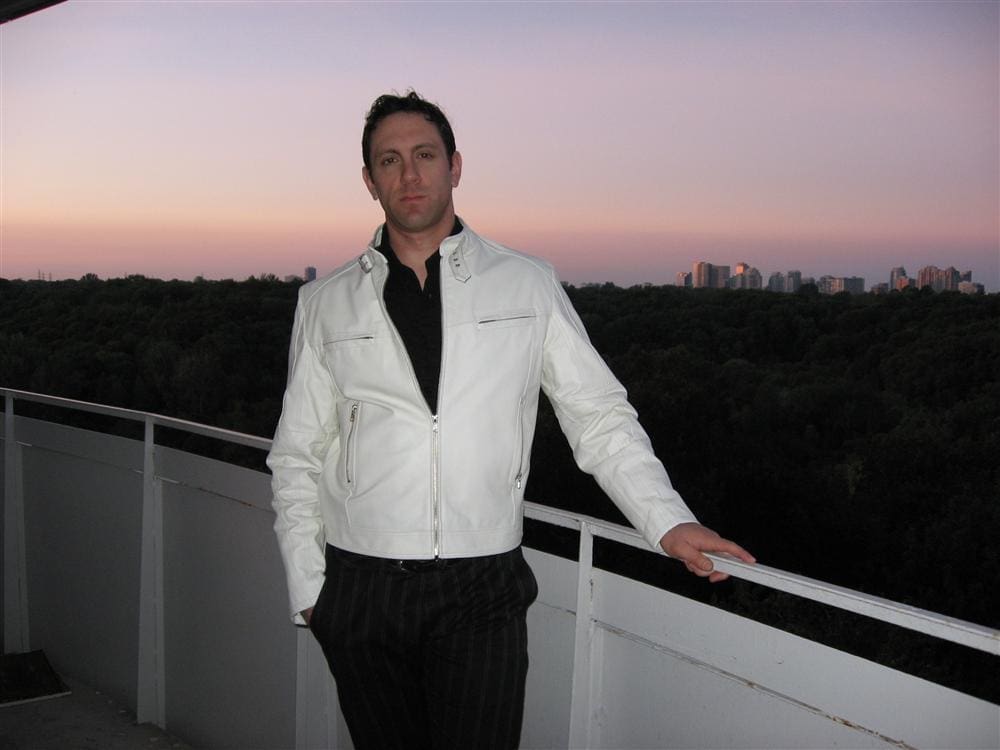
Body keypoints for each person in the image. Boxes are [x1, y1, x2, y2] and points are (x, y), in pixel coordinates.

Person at [267, 91, 755, 750]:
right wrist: (311, 591)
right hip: (362, 588)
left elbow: (597, 414)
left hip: (483, 587)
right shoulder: (324, 303)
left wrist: (665, 519)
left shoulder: (524, 283)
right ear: (369, 181)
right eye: (389, 161)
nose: (409, 175)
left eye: (424, 156)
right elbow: (296, 456)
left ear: (455, 167)